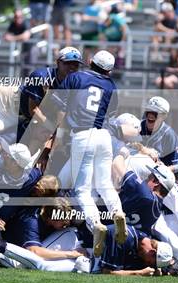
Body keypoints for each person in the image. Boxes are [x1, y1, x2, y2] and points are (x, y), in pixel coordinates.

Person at [51, 50, 127, 257]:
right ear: (109, 70)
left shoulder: (76, 77)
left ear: (90, 62)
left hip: (82, 135)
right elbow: (111, 113)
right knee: (104, 184)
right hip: (104, 136)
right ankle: (118, 213)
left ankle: (96, 225)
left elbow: (59, 107)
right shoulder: (111, 85)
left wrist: (59, 136)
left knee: (82, 190)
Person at [100, 224, 173, 276]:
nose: (146, 264)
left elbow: (164, 267)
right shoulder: (122, 237)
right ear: (153, 252)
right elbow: (107, 272)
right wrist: (140, 273)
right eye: (150, 262)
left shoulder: (141, 243)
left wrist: (159, 270)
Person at [139, 96, 178, 172]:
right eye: (148, 111)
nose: (150, 115)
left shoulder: (169, 134)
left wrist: (164, 170)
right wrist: (144, 149)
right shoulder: (136, 127)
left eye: (155, 113)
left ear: (164, 116)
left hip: (155, 178)